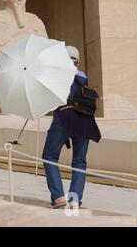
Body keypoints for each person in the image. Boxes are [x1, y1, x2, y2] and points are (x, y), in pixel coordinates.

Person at [42, 46, 101, 209]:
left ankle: (59, 197)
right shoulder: (83, 77)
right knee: (79, 162)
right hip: (85, 120)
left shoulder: (57, 75)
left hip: (64, 117)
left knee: (49, 156)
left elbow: (51, 99)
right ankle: (74, 200)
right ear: (78, 61)